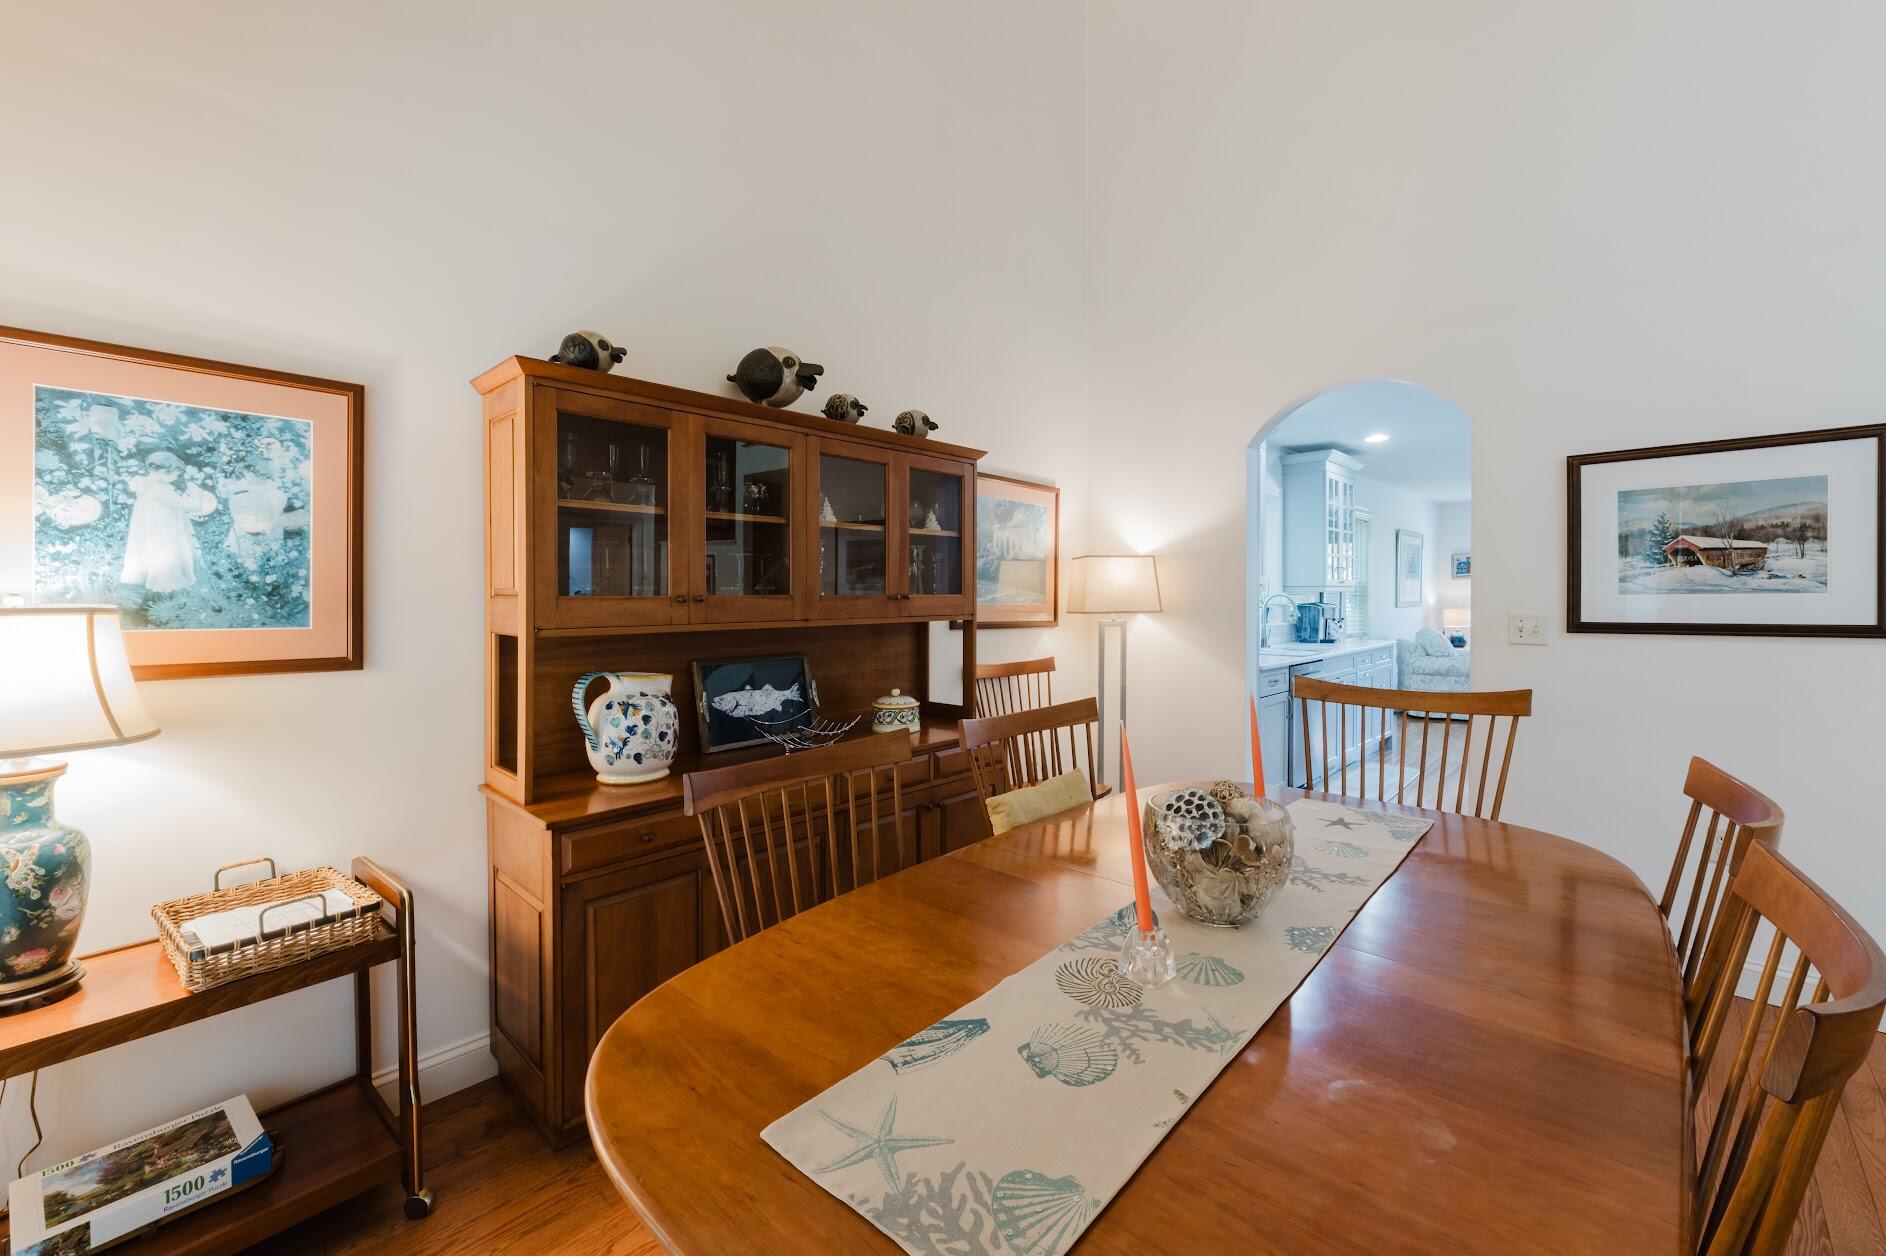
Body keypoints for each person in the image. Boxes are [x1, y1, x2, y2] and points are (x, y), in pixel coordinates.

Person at [119, 451, 216, 593]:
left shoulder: (145, 486)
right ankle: (166, 588)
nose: (176, 477)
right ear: (164, 471)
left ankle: (159, 587)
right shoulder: (161, 491)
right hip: (166, 530)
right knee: (169, 559)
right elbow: (195, 507)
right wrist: (196, 491)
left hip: (153, 529)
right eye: (175, 473)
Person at [221, 452, 288, 571]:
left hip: (267, 525)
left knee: (267, 553)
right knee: (245, 549)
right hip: (247, 522)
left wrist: (267, 527)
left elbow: (276, 516)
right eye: (246, 475)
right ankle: (248, 564)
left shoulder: (274, 492)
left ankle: (265, 565)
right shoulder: (245, 487)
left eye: (251, 474)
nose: (248, 478)